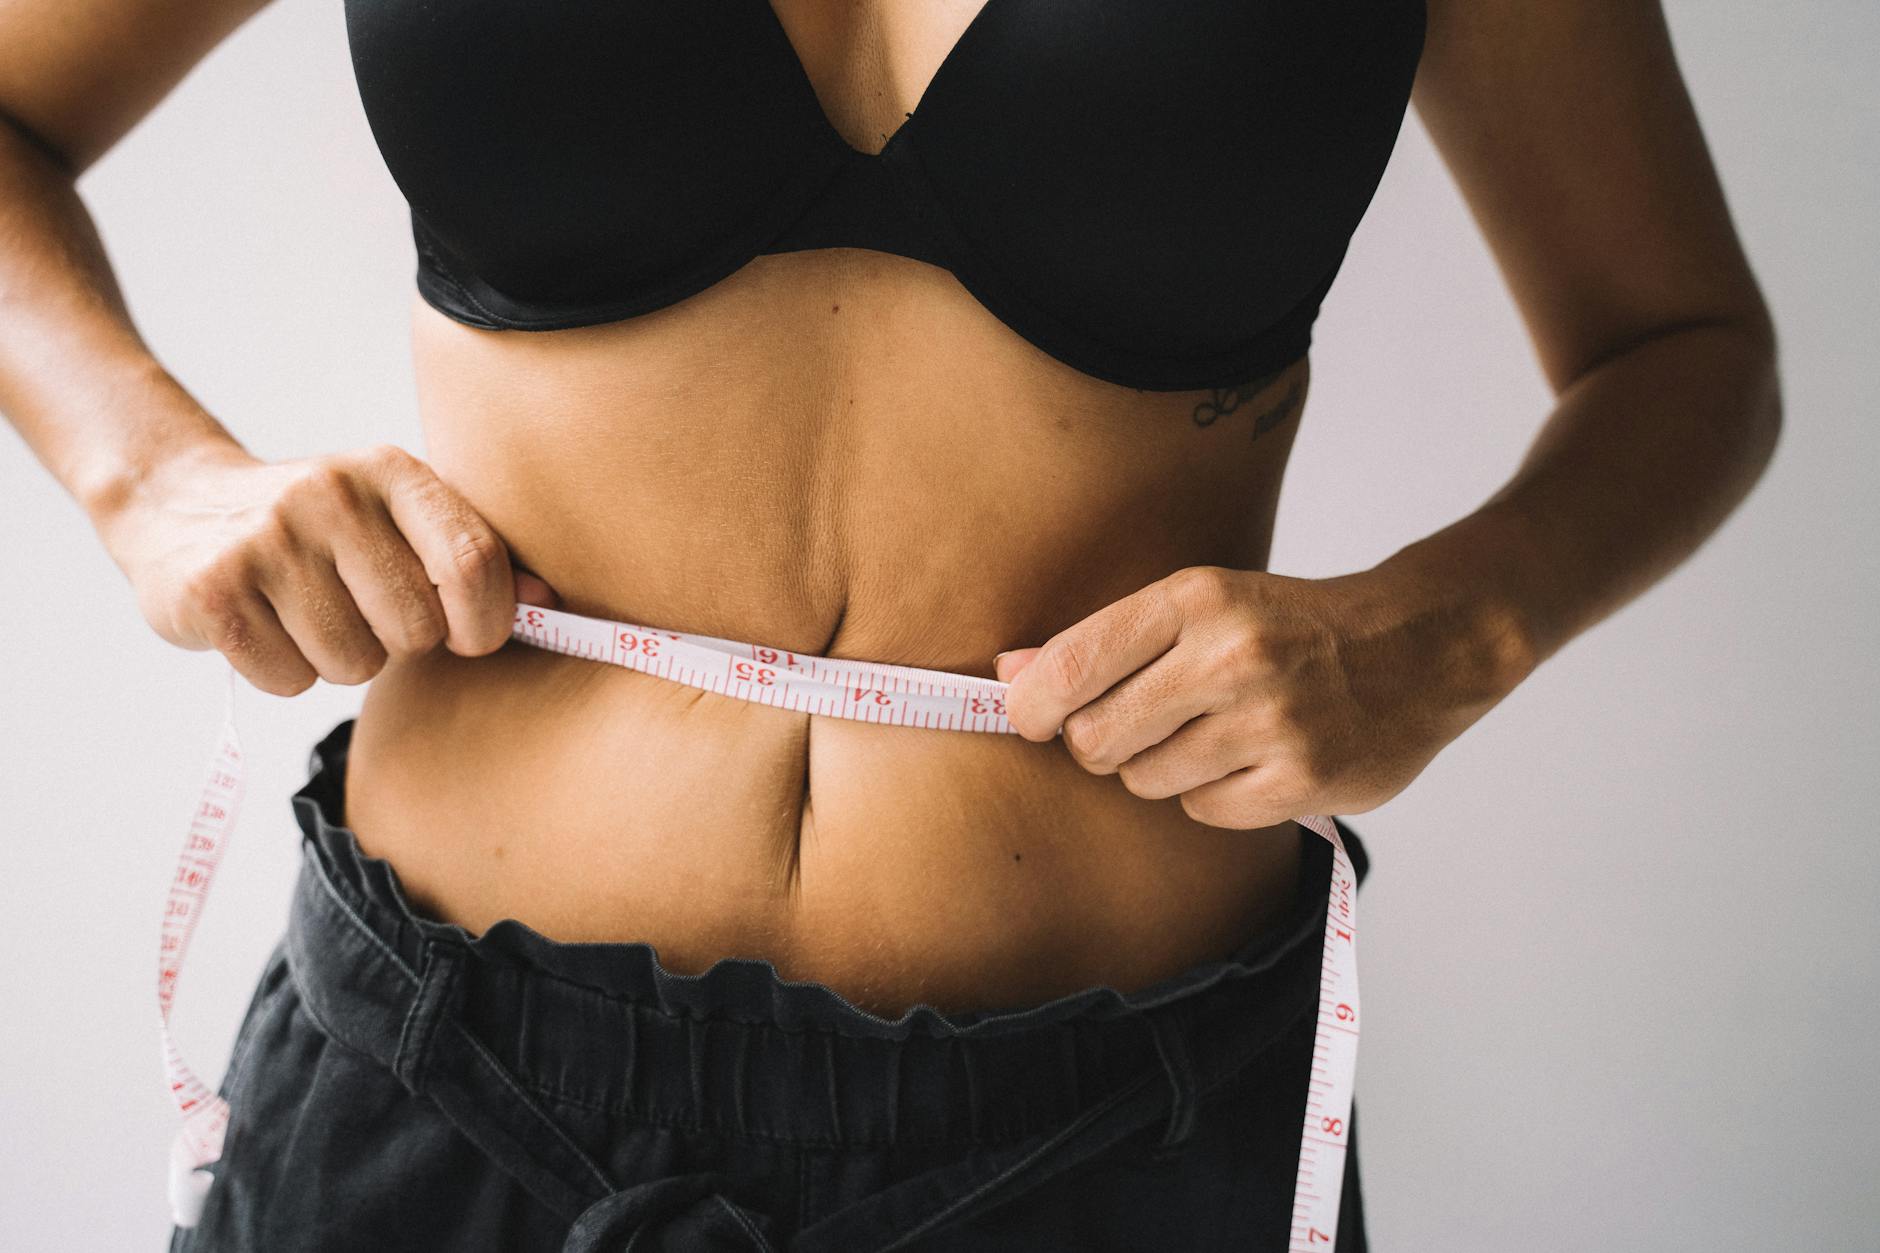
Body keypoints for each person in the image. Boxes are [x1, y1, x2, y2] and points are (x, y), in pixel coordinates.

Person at [0, 1, 1780, 1250]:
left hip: (1109, 1137)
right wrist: (150, 477)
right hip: (445, 1077)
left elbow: (1686, 350)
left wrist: (1445, 632)